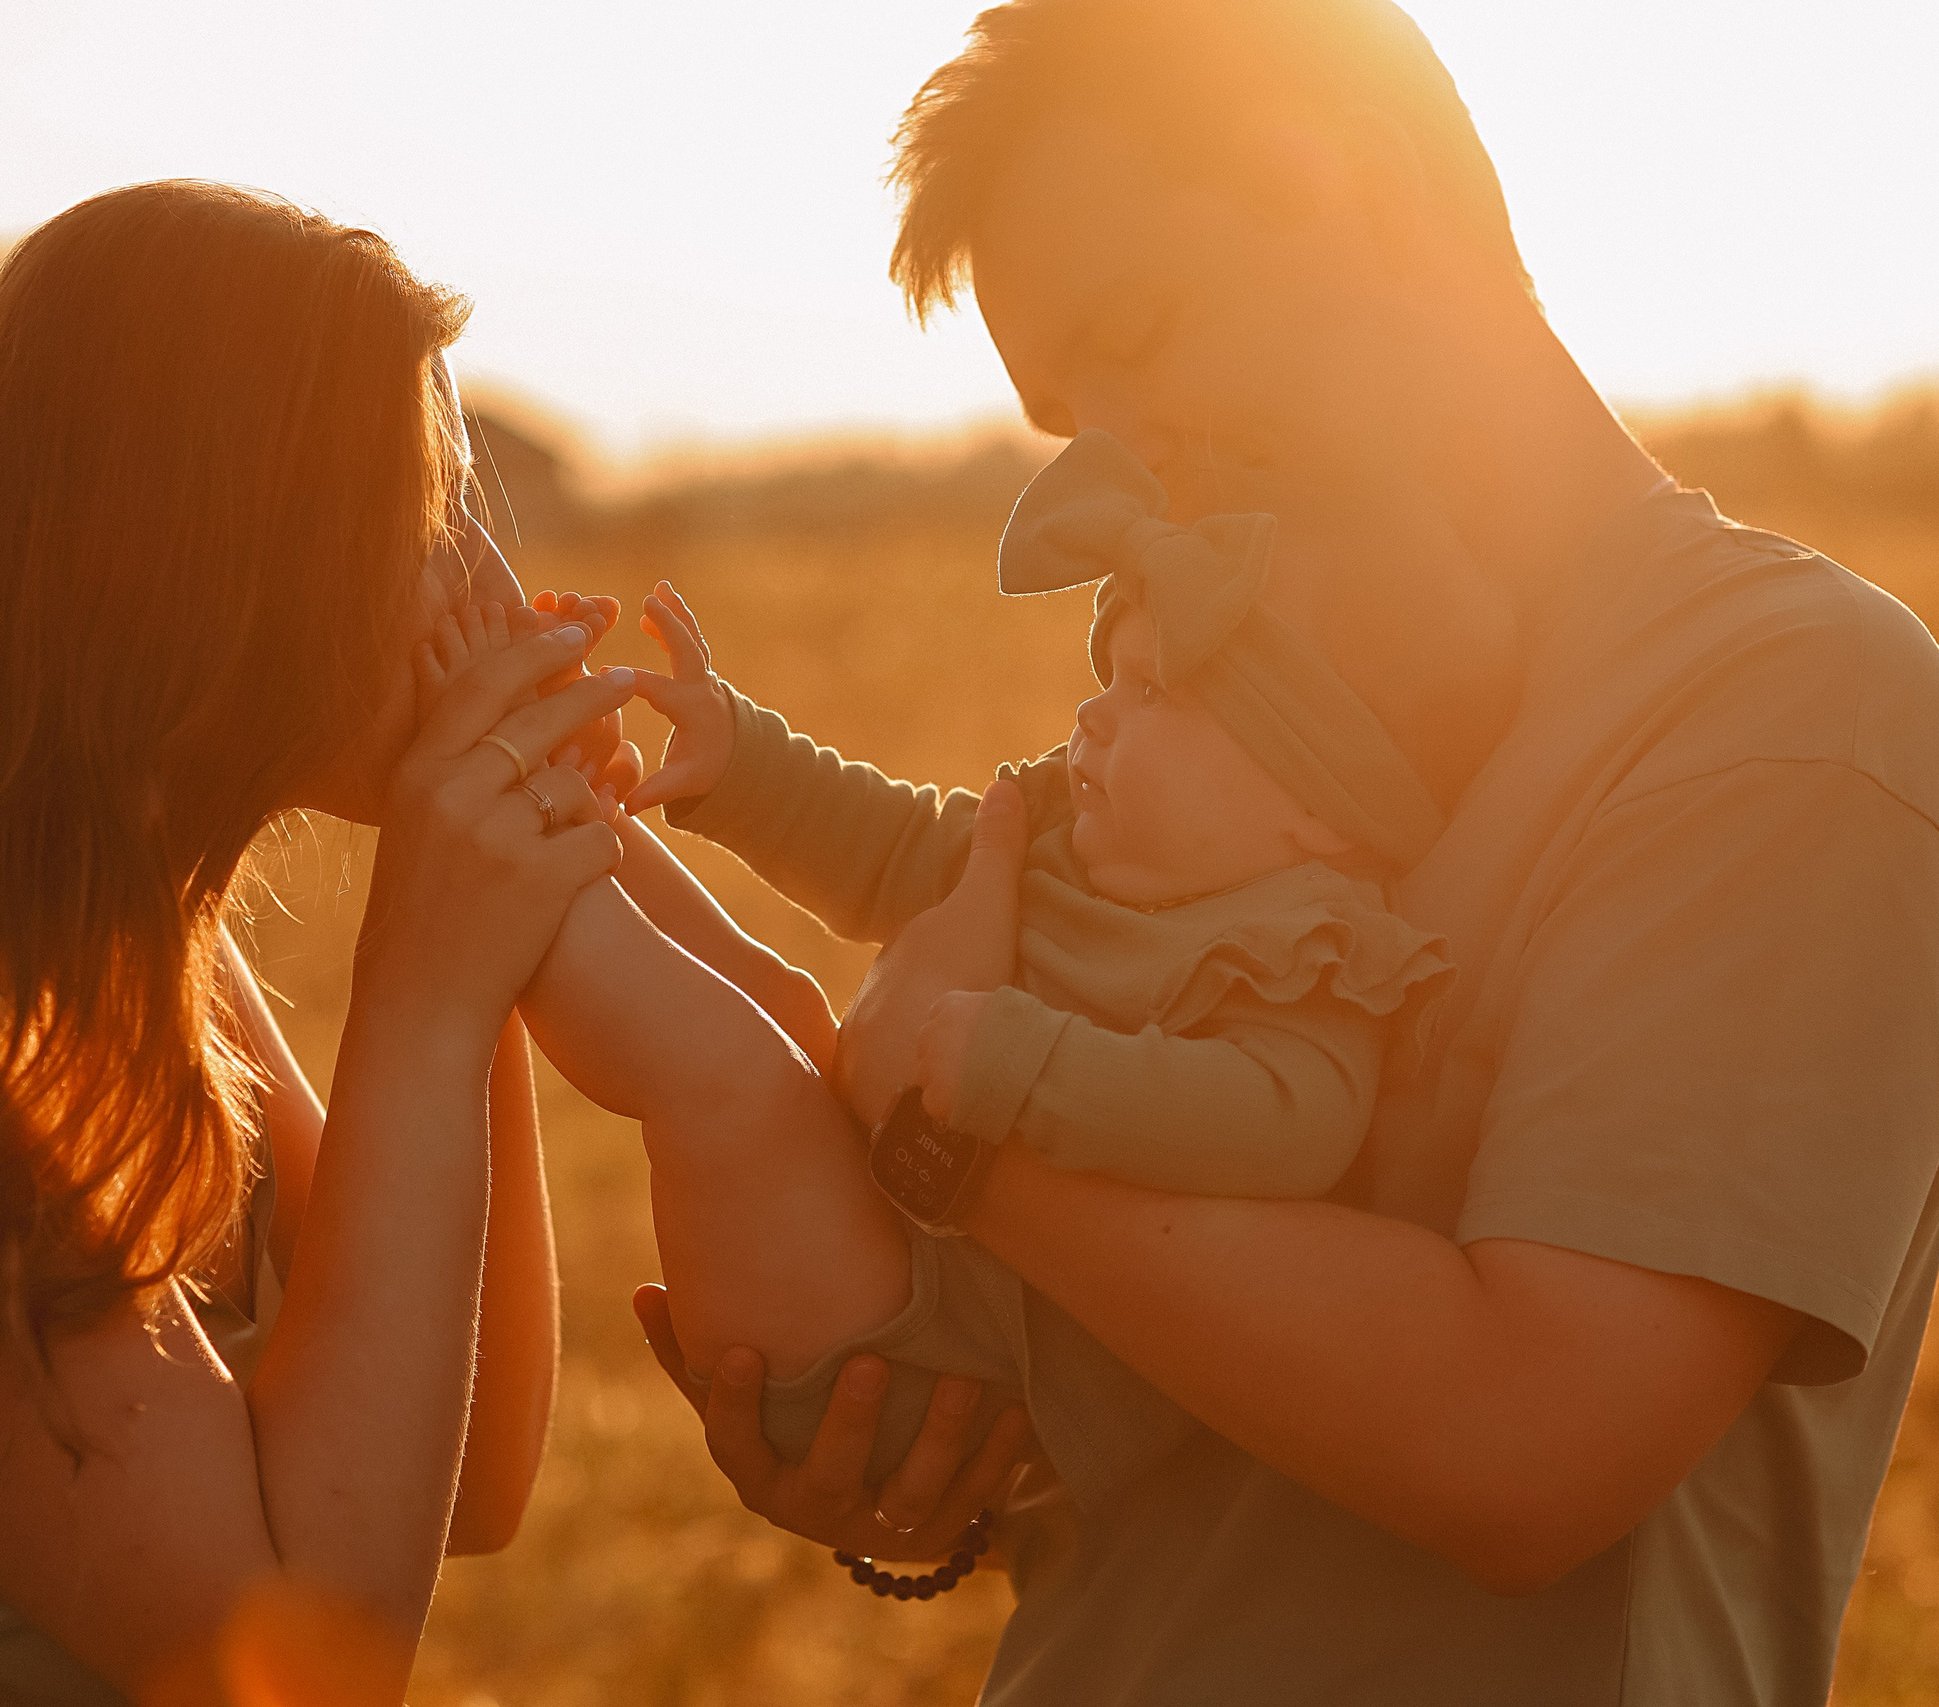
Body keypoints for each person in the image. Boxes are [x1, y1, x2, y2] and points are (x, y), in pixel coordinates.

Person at [630, 2, 1939, 1701]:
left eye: (1146, 330)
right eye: (1072, 412)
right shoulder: (1224, 685)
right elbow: (1184, 1387)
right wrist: (924, 1457)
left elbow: (1528, 1447)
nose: (1127, 457)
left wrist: (952, 1130)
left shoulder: (1796, 717)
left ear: (1355, 180)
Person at [0, 181, 635, 1704]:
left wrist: (481, 947)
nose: (477, 588)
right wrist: (423, 988)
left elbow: (458, 1476)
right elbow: (299, 1664)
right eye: (425, 517)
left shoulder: (113, 924)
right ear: (236, 555)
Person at [514, 428, 1458, 1519]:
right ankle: (561, 795)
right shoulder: (1069, 836)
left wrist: (1026, 1067)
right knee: (777, 1006)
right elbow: (900, 846)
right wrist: (746, 761)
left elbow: (1292, 1120)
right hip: (887, 1258)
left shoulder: (1306, 945)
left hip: (924, 1358)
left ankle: (501, 843)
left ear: (1315, 803)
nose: (1096, 714)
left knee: (726, 1067)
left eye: (1153, 695)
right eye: (1111, 676)